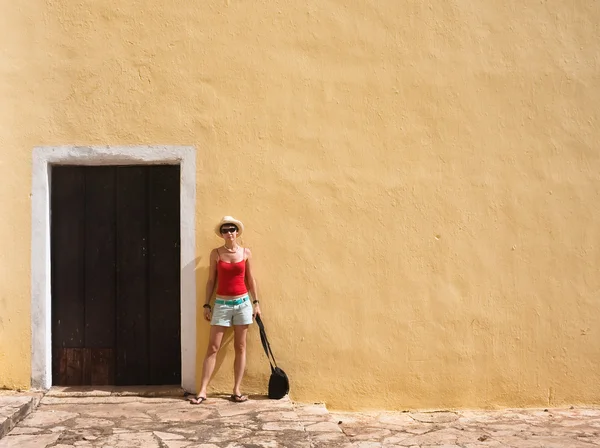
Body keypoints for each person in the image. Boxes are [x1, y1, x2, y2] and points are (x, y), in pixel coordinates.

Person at [190, 216, 261, 404]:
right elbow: (211, 281)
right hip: (221, 304)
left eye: (232, 229)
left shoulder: (246, 252)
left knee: (240, 347)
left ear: (237, 232)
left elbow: (250, 279)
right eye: (225, 230)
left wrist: (256, 303)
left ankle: (236, 390)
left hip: (243, 303)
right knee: (213, 347)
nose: (229, 232)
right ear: (221, 234)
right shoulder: (216, 253)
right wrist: (207, 304)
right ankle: (202, 391)